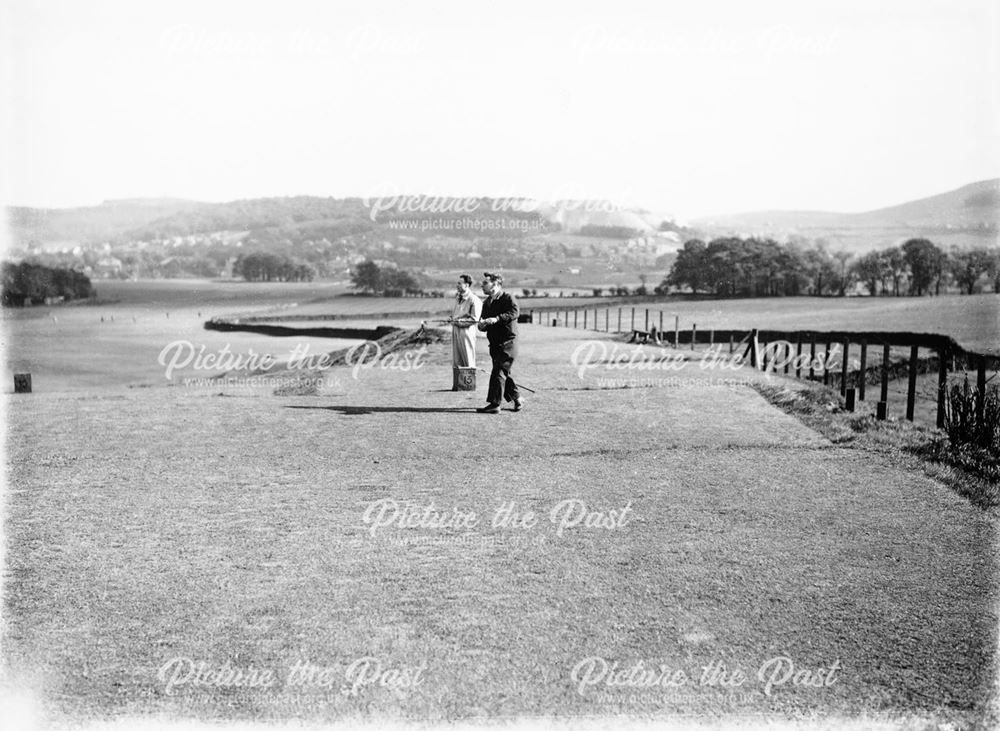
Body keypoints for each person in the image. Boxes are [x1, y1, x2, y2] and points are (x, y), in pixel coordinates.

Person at [476, 272, 523, 413]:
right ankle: (517, 398)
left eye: (485, 283)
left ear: (495, 284)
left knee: (498, 372)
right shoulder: (487, 303)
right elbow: (482, 322)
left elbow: (514, 313)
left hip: (509, 342)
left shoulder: (508, 298)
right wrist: (482, 325)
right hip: (495, 345)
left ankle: (495, 404)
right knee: (502, 373)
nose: (482, 285)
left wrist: (496, 318)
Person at [450, 274, 482, 368]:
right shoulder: (457, 298)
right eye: (457, 283)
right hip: (455, 331)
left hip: (466, 333)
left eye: (460, 283)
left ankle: (469, 382)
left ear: (467, 285)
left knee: (468, 360)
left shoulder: (474, 300)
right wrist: (451, 319)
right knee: (457, 361)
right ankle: (458, 383)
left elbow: (474, 320)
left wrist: (458, 322)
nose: (457, 285)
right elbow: (455, 314)